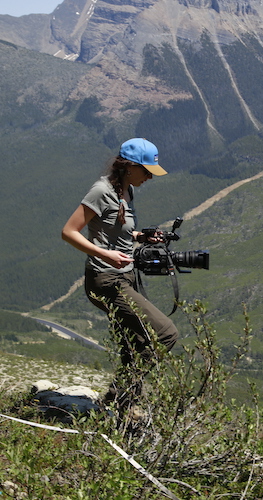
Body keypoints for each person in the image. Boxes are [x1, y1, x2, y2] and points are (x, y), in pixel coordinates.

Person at [62, 138, 178, 411]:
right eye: (146, 171)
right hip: (106, 279)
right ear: (128, 166)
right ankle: (117, 400)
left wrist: (141, 236)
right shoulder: (101, 191)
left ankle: (121, 412)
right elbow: (68, 232)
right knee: (165, 334)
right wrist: (105, 255)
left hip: (125, 277)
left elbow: (115, 229)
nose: (150, 177)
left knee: (134, 343)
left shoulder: (126, 189)